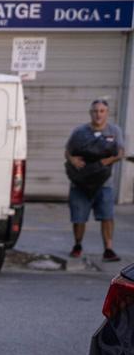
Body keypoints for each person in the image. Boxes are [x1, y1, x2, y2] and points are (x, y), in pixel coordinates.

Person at [66, 98, 125, 262]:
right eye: (95, 111)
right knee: (79, 217)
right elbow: (68, 150)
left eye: (102, 111)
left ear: (107, 113)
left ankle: (108, 249)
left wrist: (107, 161)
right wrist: (73, 160)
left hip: (104, 184)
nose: (98, 114)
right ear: (90, 113)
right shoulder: (80, 131)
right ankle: (77, 245)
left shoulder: (114, 131)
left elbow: (120, 152)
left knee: (107, 216)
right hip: (80, 183)